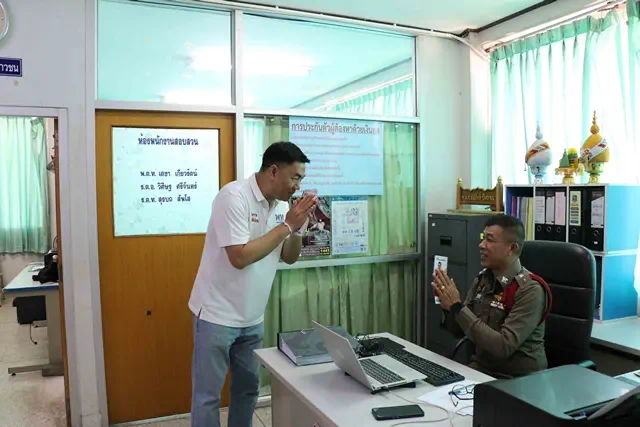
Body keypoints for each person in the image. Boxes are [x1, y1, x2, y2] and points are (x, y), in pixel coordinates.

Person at [188, 141, 317, 427]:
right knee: (208, 397)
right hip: (216, 315)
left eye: (301, 179)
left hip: (252, 317)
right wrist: (286, 226)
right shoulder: (233, 197)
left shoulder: (282, 206)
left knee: (247, 391)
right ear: (274, 171)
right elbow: (239, 257)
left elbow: (289, 257)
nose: (298, 186)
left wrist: (298, 230)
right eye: (295, 177)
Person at [433, 215, 550, 379]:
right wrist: (448, 307)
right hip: (482, 370)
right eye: (483, 238)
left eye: (489, 240)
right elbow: (459, 331)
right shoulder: (483, 280)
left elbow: (503, 346)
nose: (481, 245)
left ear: (511, 248)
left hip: (518, 380)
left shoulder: (530, 290)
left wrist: (457, 307)